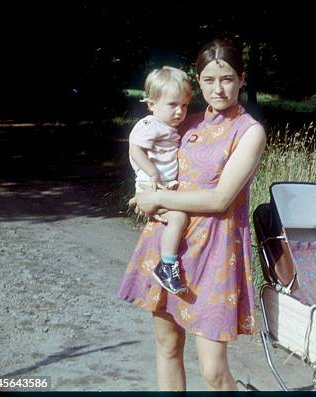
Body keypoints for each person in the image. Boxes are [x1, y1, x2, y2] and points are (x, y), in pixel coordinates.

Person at [117, 39, 266, 391]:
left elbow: (220, 199)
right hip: (171, 245)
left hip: (216, 250)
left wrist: (158, 197)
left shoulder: (249, 132)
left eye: (227, 78)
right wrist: (145, 192)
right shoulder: (185, 123)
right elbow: (146, 154)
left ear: (242, 79)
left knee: (213, 371)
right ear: (198, 81)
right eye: (209, 79)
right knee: (168, 347)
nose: (219, 88)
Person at [128, 66, 192, 294]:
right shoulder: (150, 125)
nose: (179, 111)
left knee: (179, 216)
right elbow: (136, 150)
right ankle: (167, 264)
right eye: (172, 105)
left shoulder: (169, 126)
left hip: (161, 186)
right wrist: (153, 174)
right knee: (178, 217)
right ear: (151, 104)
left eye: (184, 105)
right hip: (151, 184)